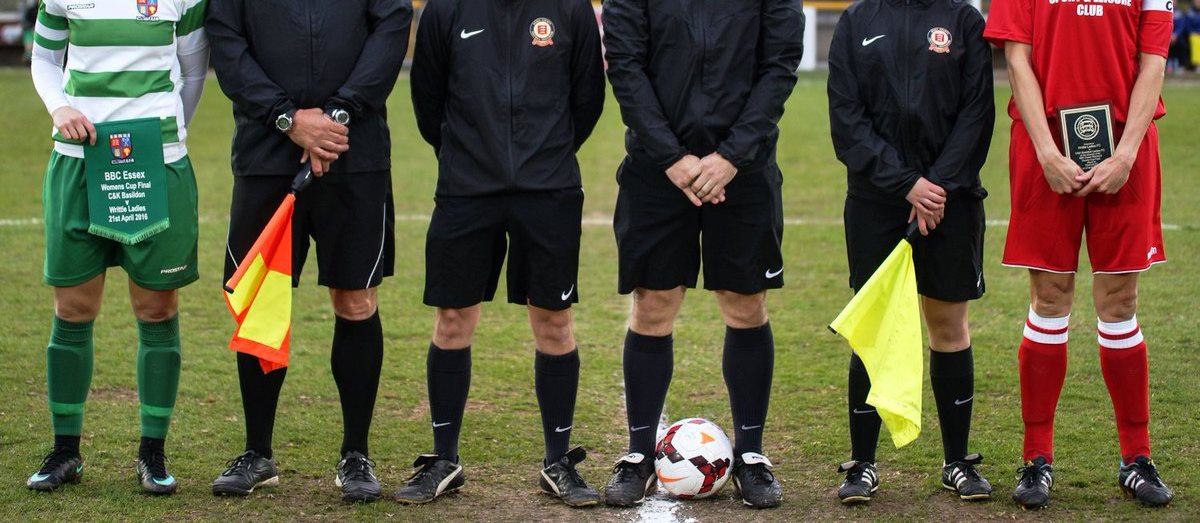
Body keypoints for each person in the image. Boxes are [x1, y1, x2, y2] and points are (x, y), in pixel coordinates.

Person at [394, 0, 606, 508]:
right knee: (452, 318)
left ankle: (558, 462)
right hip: (467, 188)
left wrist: (545, 151)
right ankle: (444, 459)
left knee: (553, 319)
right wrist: (464, 154)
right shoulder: (446, 9)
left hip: (549, 187)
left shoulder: (570, 8)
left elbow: (588, 100)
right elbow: (427, 96)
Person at [205, 0, 411, 503]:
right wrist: (285, 118)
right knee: (262, 303)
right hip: (265, 155)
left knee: (356, 299)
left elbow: (390, 28)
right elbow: (228, 45)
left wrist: (339, 114)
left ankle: (355, 455)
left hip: (353, 151)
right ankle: (257, 453)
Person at [601, 0, 804, 509]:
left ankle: (752, 454)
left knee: (745, 303)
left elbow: (778, 65)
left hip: (745, 169)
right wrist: (670, 155)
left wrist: (732, 155)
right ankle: (639, 455)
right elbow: (626, 64)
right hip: (656, 167)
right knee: (653, 304)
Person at [985, 0, 1175, 509]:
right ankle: (1036, 459)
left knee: (1120, 300)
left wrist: (1127, 152)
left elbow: (1153, 59)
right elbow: (1016, 57)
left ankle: (1136, 458)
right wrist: (1047, 151)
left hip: (1126, 148)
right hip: (1043, 142)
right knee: (1049, 295)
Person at [26, 0, 209, 495]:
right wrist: (60, 107)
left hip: (157, 163)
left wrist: (165, 137)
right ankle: (66, 452)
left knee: (156, 309)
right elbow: (44, 57)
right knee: (72, 307)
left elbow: (195, 72)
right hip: (78, 160)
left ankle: (153, 452)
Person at [827, 0, 995, 505]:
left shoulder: (964, 20)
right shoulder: (856, 20)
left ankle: (957, 462)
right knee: (874, 327)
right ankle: (863, 464)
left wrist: (937, 186)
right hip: (877, 201)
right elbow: (846, 117)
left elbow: (977, 112)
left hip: (952, 200)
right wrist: (906, 184)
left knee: (948, 324)